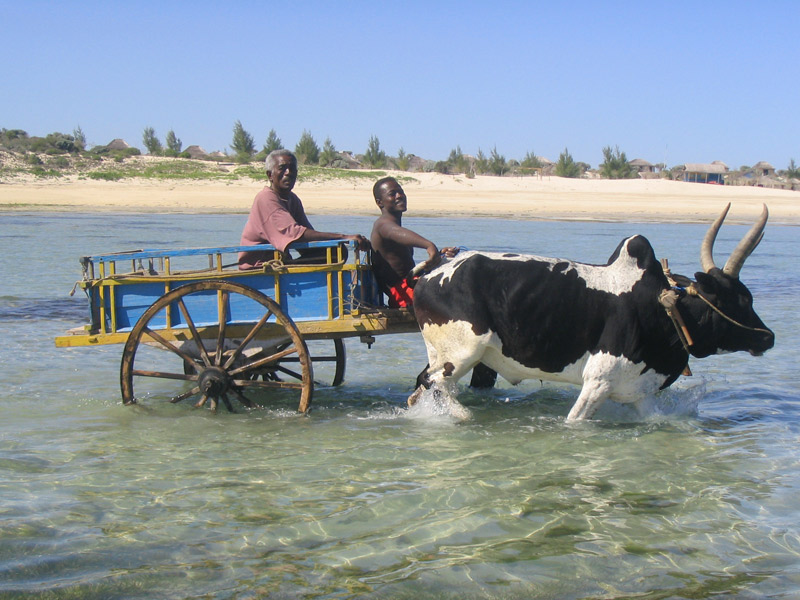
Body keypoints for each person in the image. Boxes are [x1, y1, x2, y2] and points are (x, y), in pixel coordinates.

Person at [239, 149, 368, 269]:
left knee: (336, 251)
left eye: (292, 168)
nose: (288, 172)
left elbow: (307, 234)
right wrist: (343, 237)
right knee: (335, 250)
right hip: (260, 267)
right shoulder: (266, 198)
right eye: (282, 168)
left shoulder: (293, 200)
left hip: (279, 263)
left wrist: (339, 242)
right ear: (270, 175)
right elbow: (296, 234)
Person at [369, 176, 459, 308]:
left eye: (401, 191)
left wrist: (440, 256)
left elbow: (409, 269)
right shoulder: (382, 225)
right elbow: (392, 231)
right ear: (380, 203)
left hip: (413, 285)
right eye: (392, 194)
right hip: (402, 294)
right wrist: (429, 246)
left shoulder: (396, 229)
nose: (399, 196)